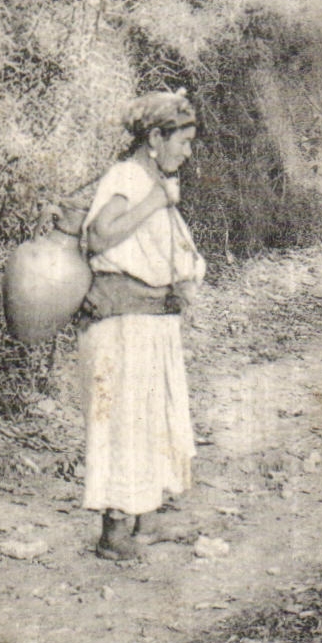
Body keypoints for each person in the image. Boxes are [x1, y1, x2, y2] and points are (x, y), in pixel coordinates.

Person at [79, 91, 206, 560]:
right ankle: (113, 536)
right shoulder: (129, 177)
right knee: (124, 422)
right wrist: (154, 201)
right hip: (122, 323)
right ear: (155, 137)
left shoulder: (151, 178)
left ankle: (142, 522)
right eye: (183, 142)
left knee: (152, 418)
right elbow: (99, 236)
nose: (187, 153)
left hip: (150, 319)